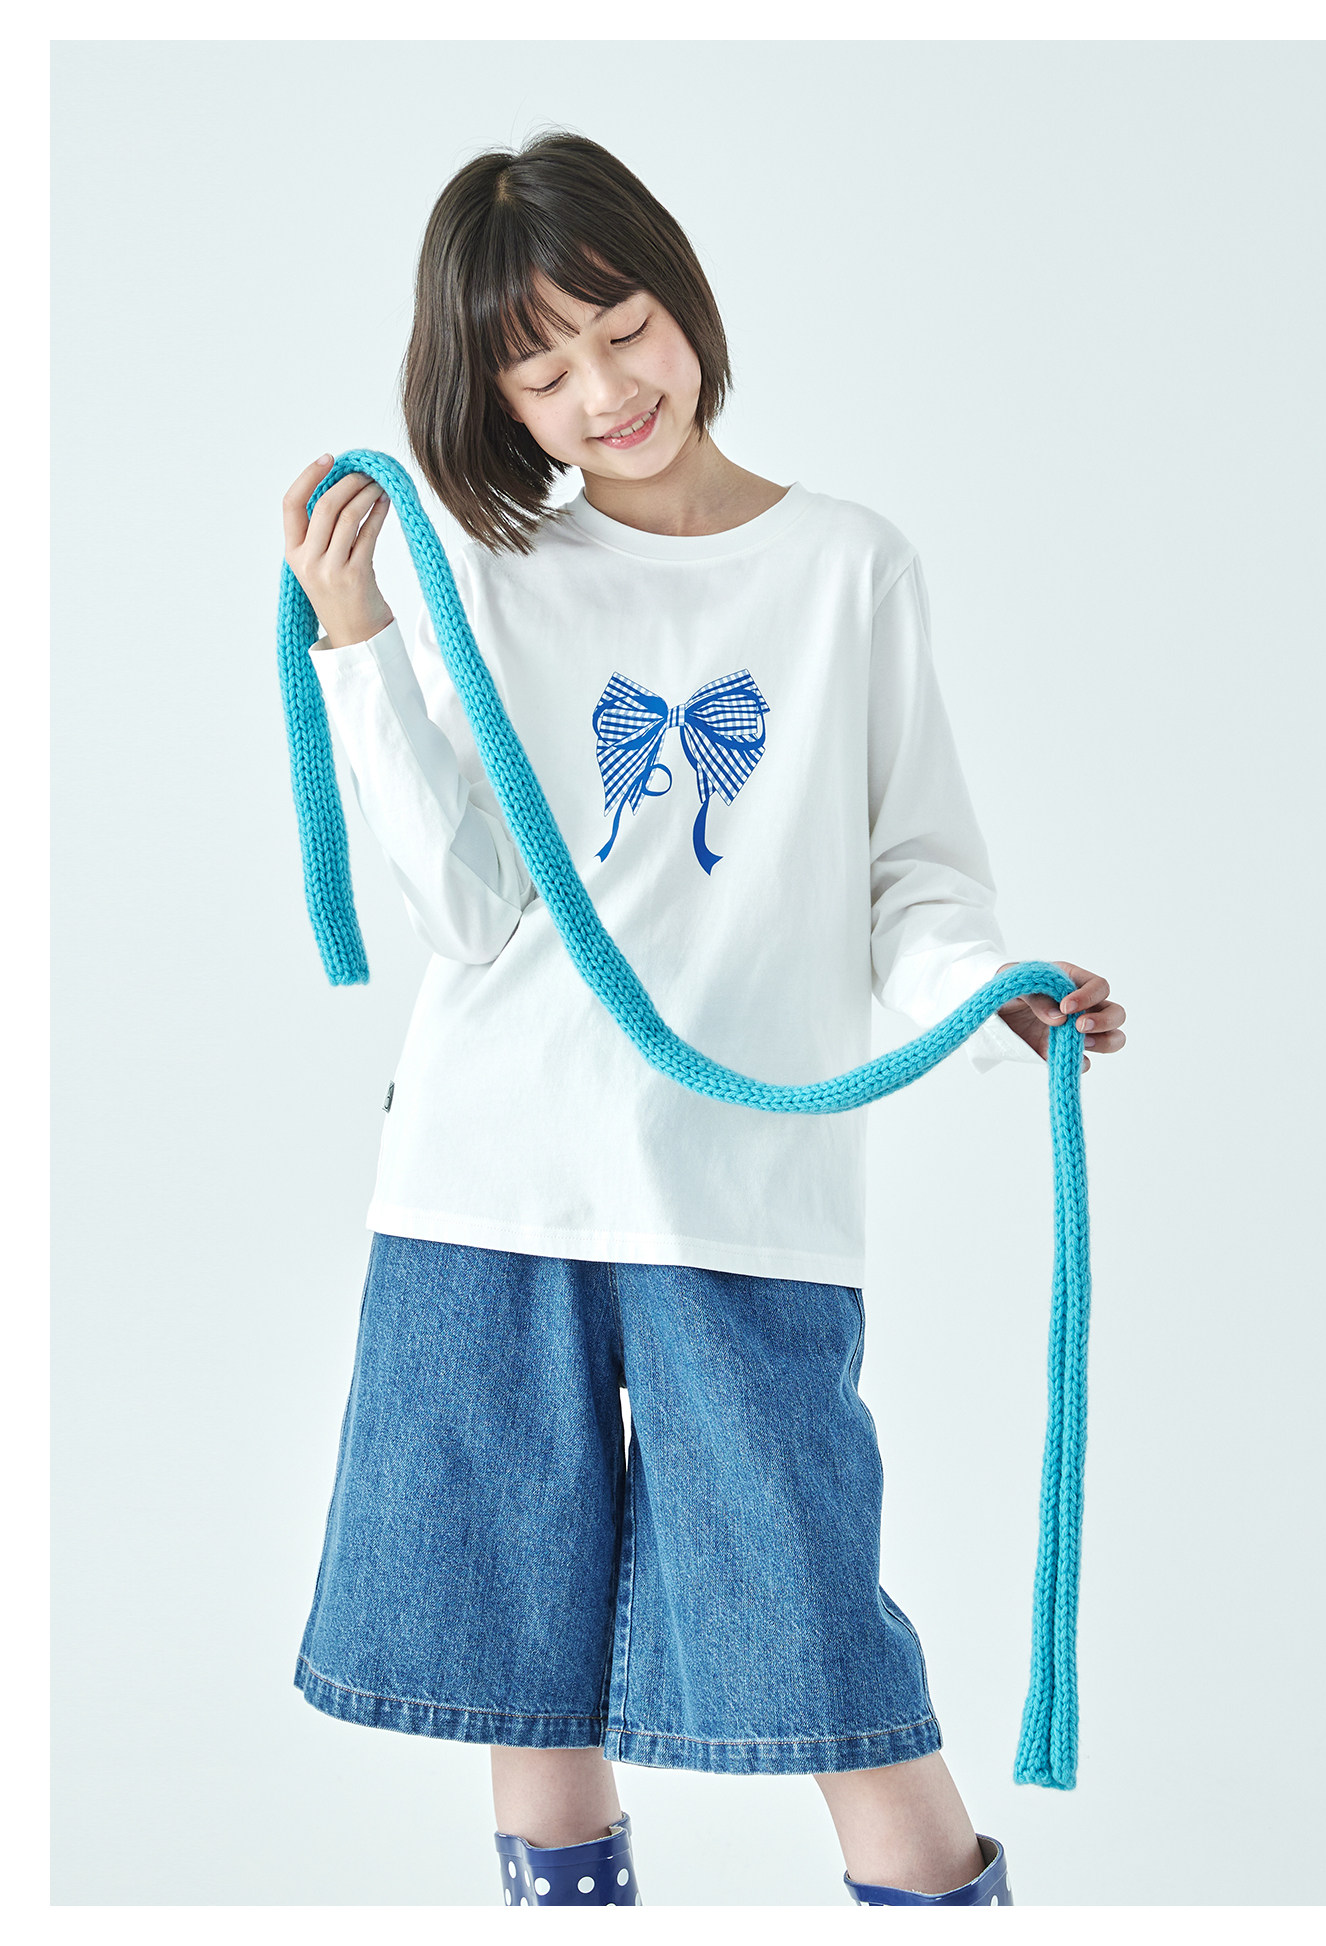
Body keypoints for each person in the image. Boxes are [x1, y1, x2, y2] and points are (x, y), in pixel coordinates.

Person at [280, 130, 1126, 1910]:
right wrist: (356, 639)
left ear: (685, 303)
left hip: (743, 1196)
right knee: (522, 1671)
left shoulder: (848, 567)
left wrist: (987, 998)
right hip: (486, 1183)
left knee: (827, 1655)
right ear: (491, 396)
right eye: (543, 370)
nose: (604, 392)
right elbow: (468, 912)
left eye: (625, 329)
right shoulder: (488, 570)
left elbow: (914, 879)